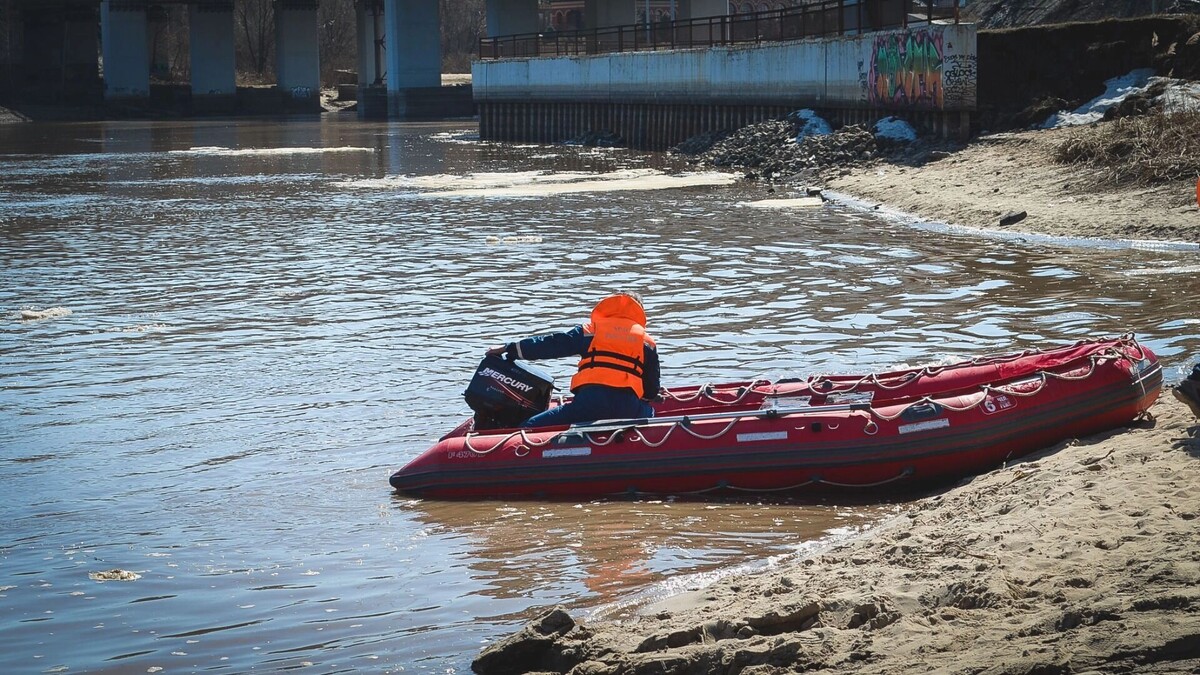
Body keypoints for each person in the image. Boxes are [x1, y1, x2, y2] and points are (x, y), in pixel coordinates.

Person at [487, 291, 661, 428]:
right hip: (627, 409)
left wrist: (510, 348)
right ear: (638, 312)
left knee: (530, 427)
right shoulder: (646, 342)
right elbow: (651, 391)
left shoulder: (590, 331)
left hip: (588, 405)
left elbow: (550, 345)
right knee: (650, 414)